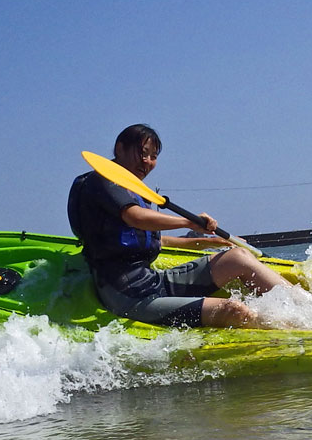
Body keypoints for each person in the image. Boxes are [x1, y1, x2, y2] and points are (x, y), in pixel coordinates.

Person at [68, 124, 291, 328]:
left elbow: (157, 239)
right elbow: (134, 217)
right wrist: (189, 221)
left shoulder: (132, 190)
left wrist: (207, 242)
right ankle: (291, 337)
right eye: (142, 153)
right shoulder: (101, 182)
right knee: (233, 310)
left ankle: (308, 311)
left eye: (153, 156)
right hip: (130, 297)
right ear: (119, 148)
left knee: (238, 257)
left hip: (154, 281)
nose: (147, 161)